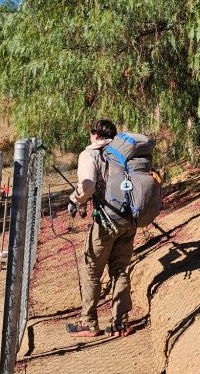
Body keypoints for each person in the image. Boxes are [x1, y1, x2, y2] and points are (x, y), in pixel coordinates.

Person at [65, 119, 137, 337]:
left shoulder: (90, 154)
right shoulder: (124, 153)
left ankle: (88, 322)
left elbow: (87, 185)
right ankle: (120, 323)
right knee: (120, 270)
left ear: (95, 135)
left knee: (92, 270)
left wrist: (75, 199)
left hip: (106, 222)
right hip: (129, 220)